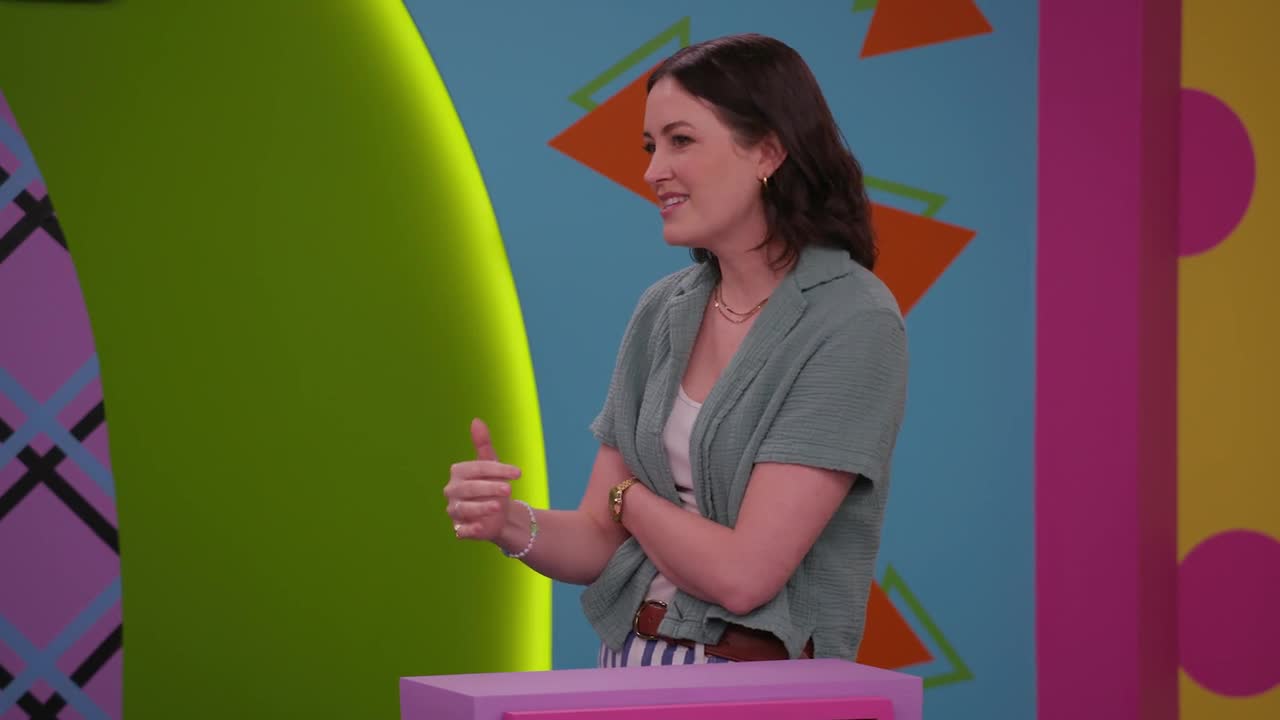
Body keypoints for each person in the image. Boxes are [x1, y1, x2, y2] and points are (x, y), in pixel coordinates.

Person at [444, 33, 907, 668]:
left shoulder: (852, 318)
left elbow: (744, 576)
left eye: (681, 140)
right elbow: (596, 542)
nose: (653, 170)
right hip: (628, 661)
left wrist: (628, 499)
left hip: (754, 687)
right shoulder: (664, 309)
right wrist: (507, 522)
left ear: (768, 150)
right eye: (651, 146)